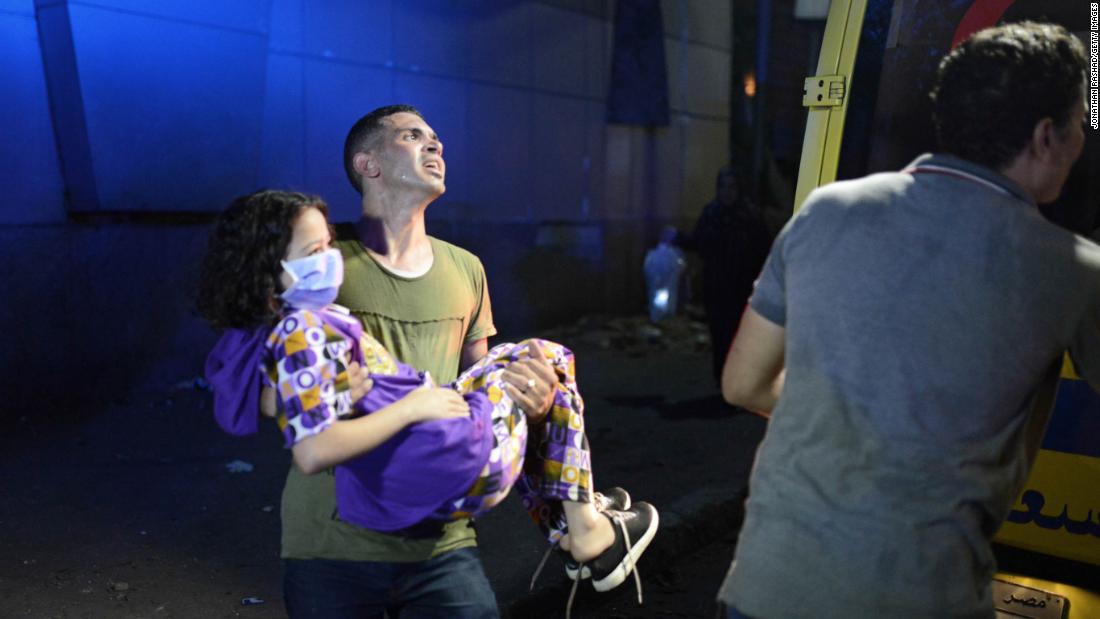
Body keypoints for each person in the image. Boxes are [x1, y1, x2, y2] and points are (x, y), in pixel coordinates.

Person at [716, 22, 1100, 618]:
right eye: (1081, 123)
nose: (1083, 142)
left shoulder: (825, 211)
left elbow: (742, 384)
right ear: (1047, 136)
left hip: (765, 590)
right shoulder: (1073, 269)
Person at [197, 190, 658, 617]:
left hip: (436, 518)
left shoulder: (459, 269)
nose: (330, 261)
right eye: (314, 252)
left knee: (526, 363)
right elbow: (309, 442)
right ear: (367, 162)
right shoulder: (305, 325)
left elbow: (479, 378)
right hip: (371, 513)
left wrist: (534, 408)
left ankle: (576, 524)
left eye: (328, 246)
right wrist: (412, 405)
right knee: (548, 356)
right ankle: (583, 529)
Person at [679, 166, 771, 383]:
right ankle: (725, 383)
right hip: (718, 289)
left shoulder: (750, 217)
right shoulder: (712, 214)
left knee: (739, 339)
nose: (727, 192)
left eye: (731, 187)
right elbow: (699, 242)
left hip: (742, 289)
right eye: (723, 187)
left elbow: (764, 251)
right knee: (721, 338)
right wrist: (677, 238)